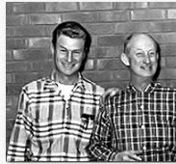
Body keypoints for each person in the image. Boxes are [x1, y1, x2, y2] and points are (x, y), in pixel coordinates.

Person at [87, 33, 176, 161]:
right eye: (139, 54)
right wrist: (114, 157)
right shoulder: (111, 104)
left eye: (152, 54)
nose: (147, 60)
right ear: (126, 59)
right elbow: (94, 146)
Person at [7, 21, 105, 161]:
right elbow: (16, 150)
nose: (69, 59)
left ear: (84, 54)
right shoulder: (31, 93)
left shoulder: (99, 96)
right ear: (53, 49)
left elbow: (105, 151)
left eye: (76, 52)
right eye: (63, 51)